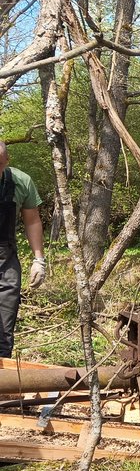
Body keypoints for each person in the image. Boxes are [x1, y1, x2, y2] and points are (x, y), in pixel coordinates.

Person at [0, 141, 45, 359]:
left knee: (4, 333)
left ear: (6, 161)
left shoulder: (21, 181)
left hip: (5, 260)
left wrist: (39, 260)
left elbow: (32, 221)